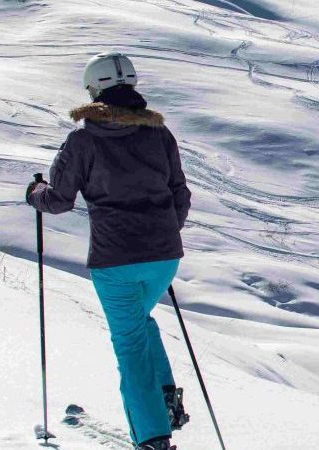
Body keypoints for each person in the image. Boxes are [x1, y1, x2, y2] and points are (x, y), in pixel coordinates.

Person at [27, 52, 193, 450]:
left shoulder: (82, 141)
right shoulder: (159, 134)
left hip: (115, 260)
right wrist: (162, 232)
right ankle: (164, 398)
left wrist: (35, 193)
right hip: (164, 257)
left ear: (93, 90)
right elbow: (180, 194)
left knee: (129, 343)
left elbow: (59, 199)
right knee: (139, 322)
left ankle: (153, 437)